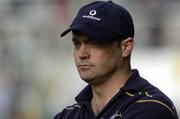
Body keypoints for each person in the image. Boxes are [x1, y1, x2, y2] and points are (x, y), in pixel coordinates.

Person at [54, 1, 178, 119]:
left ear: (126, 47)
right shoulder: (68, 115)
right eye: (77, 44)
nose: (82, 54)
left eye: (95, 43)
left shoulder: (151, 108)